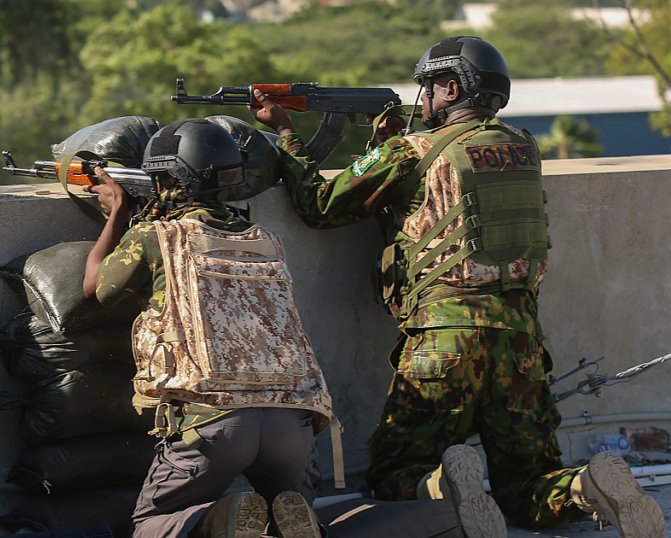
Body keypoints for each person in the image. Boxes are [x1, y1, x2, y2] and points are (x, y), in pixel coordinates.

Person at [250, 35, 665, 538]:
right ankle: (586, 488)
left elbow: (320, 205)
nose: (420, 100)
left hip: (444, 340)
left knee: (394, 474)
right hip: (521, 343)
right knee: (528, 484)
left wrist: (287, 133)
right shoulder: (522, 148)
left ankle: (447, 488)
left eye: (427, 88)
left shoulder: (411, 151)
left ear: (451, 88)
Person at [82, 118, 340, 538]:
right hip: (291, 423)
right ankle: (283, 521)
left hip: (215, 423)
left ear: (168, 179)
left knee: (151, 526)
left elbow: (96, 287)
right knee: (291, 516)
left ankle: (217, 519)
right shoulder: (267, 239)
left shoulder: (157, 237)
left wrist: (118, 213)